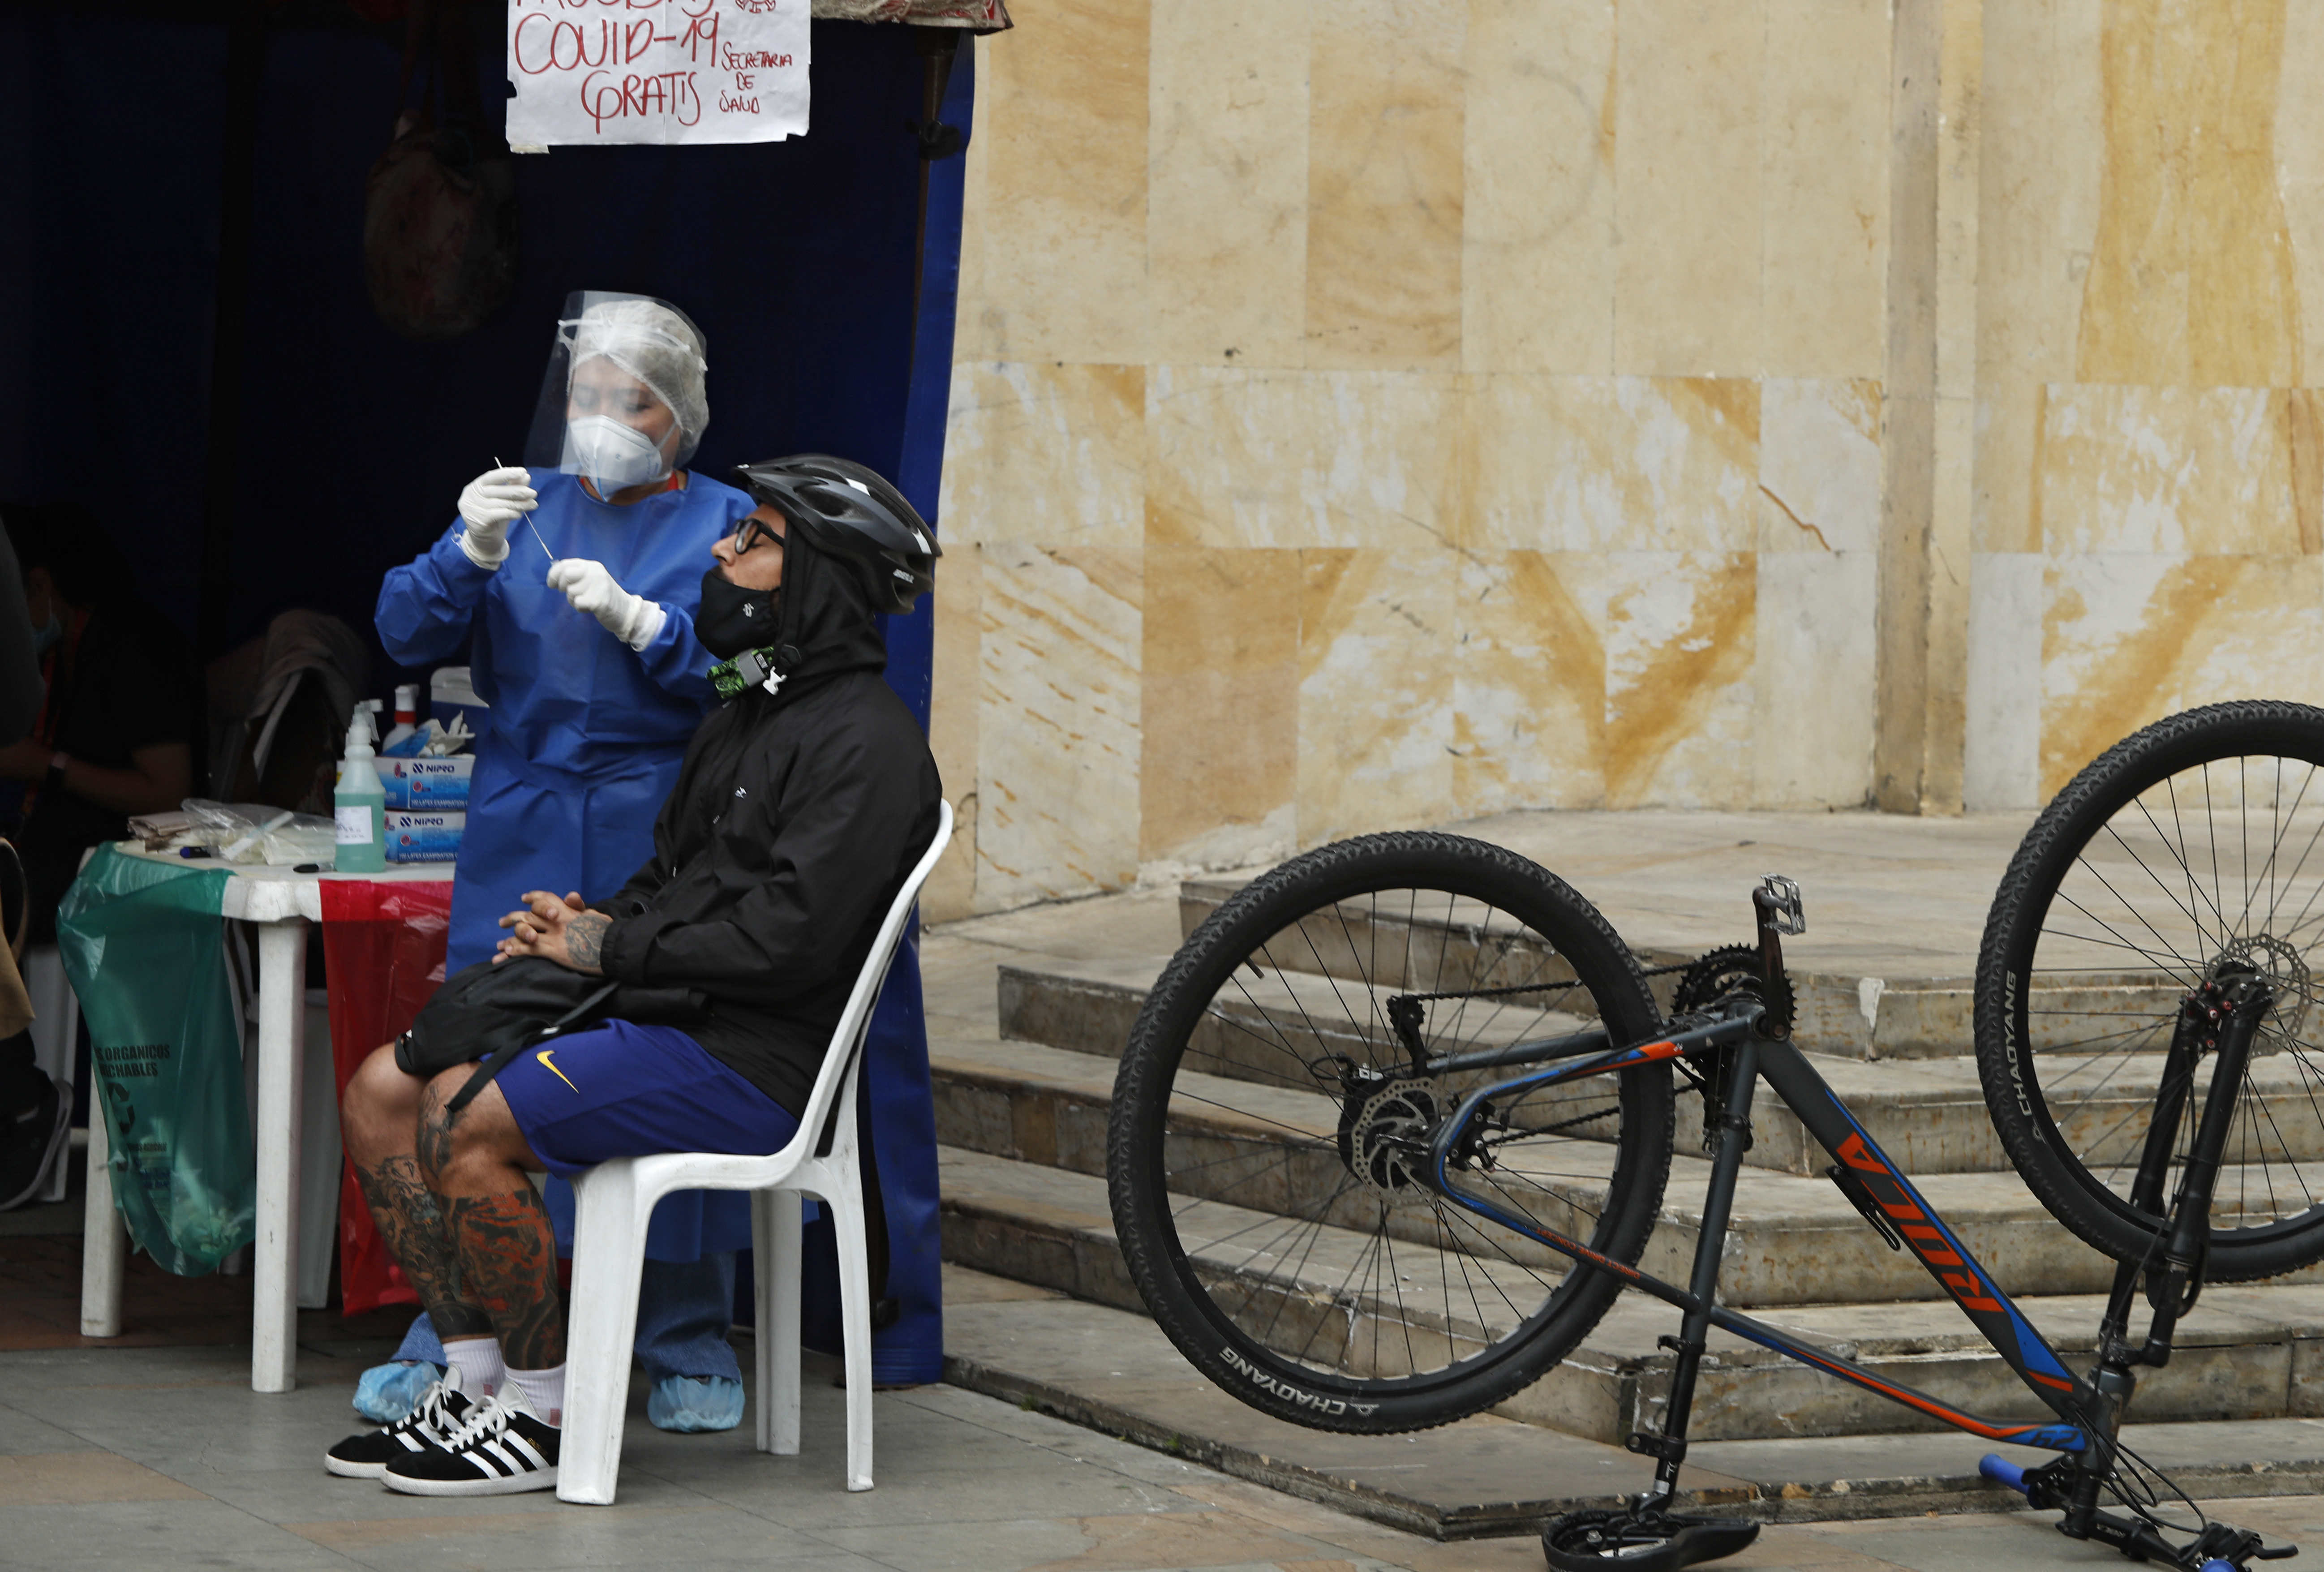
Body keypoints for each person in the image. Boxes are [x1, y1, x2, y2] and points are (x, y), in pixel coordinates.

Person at [326, 462, 942, 1495]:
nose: (720, 550)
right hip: (667, 1007)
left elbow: (782, 943)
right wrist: (595, 920)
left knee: (462, 1118)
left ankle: (544, 1407)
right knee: (382, 1090)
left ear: (819, 580)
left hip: (749, 1059)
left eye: (752, 539)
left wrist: (606, 951)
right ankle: (477, 1382)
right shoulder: (746, 711)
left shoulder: (868, 743)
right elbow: (677, 876)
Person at [369, 292, 760, 1430]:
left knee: (659, 1061)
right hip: (521, 817)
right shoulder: (522, 507)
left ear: (677, 414)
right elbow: (403, 632)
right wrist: (465, 550)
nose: (599, 417)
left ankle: (684, 1329)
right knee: (472, 1061)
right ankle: (453, 1330)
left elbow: (755, 683)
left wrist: (656, 630)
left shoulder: (736, 524)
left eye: (625, 398)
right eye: (583, 394)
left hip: (660, 827)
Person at [0, 501, 193, 1209]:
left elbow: (168, 790)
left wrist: (43, 765)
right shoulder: (67, 656)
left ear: (40, 587)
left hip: (121, 865)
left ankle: (22, 1100)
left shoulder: (128, 646)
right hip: (56, 853)